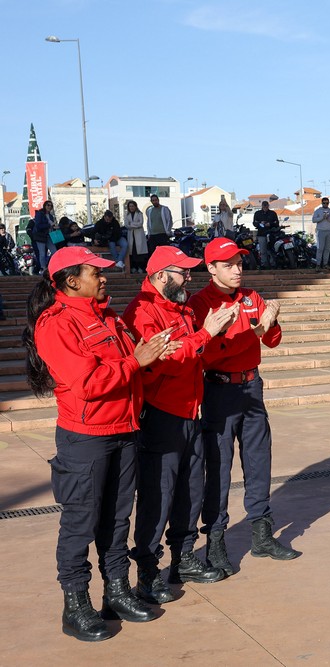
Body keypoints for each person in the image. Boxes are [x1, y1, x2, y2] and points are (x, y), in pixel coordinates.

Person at [25, 246, 176, 641]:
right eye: (97, 272)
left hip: (124, 431)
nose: (105, 277)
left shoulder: (107, 317)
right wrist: (135, 362)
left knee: (116, 519)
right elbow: (88, 384)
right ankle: (75, 606)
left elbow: (131, 372)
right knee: (80, 523)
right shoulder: (55, 324)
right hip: (86, 438)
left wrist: (157, 356)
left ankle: (117, 591)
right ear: (72, 281)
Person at [123, 246, 241, 605]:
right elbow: (167, 358)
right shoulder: (142, 311)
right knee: (158, 494)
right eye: (183, 272)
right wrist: (204, 335)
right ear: (161, 275)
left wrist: (207, 337)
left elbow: (189, 352)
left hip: (191, 410)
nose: (189, 278)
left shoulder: (182, 307)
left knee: (191, 488)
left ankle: (183, 558)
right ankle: (147, 570)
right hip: (161, 413)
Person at [190, 237, 301, 573]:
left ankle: (261, 533)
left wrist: (271, 322)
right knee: (219, 467)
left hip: (252, 385)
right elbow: (210, 353)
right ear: (211, 269)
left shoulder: (251, 297)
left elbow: (273, 339)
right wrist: (257, 331)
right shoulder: (200, 305)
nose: (237, 270)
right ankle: (216, 540)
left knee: (258, 460)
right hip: (219, 390)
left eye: (240, 264)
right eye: (229, 265)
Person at [29, 200, 58, 272]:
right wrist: (49, 225)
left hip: (49, 235)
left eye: (51, 205)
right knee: (42, 253)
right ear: (44, 206)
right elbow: (38, 225)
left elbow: (50, 226)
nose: (49, 207)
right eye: (48, 205)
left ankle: (51, 265)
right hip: (41, 236)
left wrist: (54, 227)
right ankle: (43, 268)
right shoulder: (40, 214)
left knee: (54, 251)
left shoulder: (51, 216)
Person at [253, 200, 280, 269]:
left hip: (271, 234)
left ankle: (273, 264)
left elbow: (277, 223)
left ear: (268, 206)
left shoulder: (272, 213)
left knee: (272, 249)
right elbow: (254, 223)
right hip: (261, 234)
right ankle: (264, 264)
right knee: (263, 251)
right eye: (264, 205)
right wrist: (260, 223)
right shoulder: (257, 213)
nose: (265, 207)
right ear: (262, 206)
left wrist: (270, 224)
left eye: (266, 205)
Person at [124, 199, 148, 273]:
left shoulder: (139, 214)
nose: (131, 208)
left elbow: (140, 223)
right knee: (132, 252)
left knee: (140, 253)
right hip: (131, 235)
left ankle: (140, 267)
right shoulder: (127, 215)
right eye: (130, 206)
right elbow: (126, 225)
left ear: (135, 206)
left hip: (139, 235)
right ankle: (133, 267)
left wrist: (131, 224)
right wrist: (134, 224)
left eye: (133, 206)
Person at [312, 197, 330, 270]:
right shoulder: (318, 211)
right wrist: (322, 218)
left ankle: (325, 264)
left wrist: (328, 218)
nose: (325, 204)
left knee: (327, 249)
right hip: (321, 231)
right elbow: (314, 220)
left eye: (327, 203)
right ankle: (318, 265)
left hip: (329, 231)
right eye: (324, 203)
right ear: (322, 203)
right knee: (320, 248)